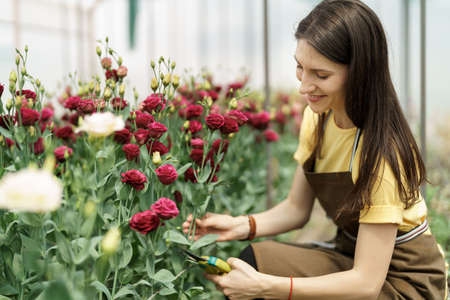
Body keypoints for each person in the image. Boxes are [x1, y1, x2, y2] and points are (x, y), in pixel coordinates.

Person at [183, 0, 447, 299]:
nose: (304, 86)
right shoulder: (318, 119)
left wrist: (266, 287)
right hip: (352, 258)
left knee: (261, 281)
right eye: (300, 67)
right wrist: (240, 225)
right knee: (254, 260)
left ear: (359, 72)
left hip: (403, 283)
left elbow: (365, 284)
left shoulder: (381, 154)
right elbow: (297, 209)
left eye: (320, 75)